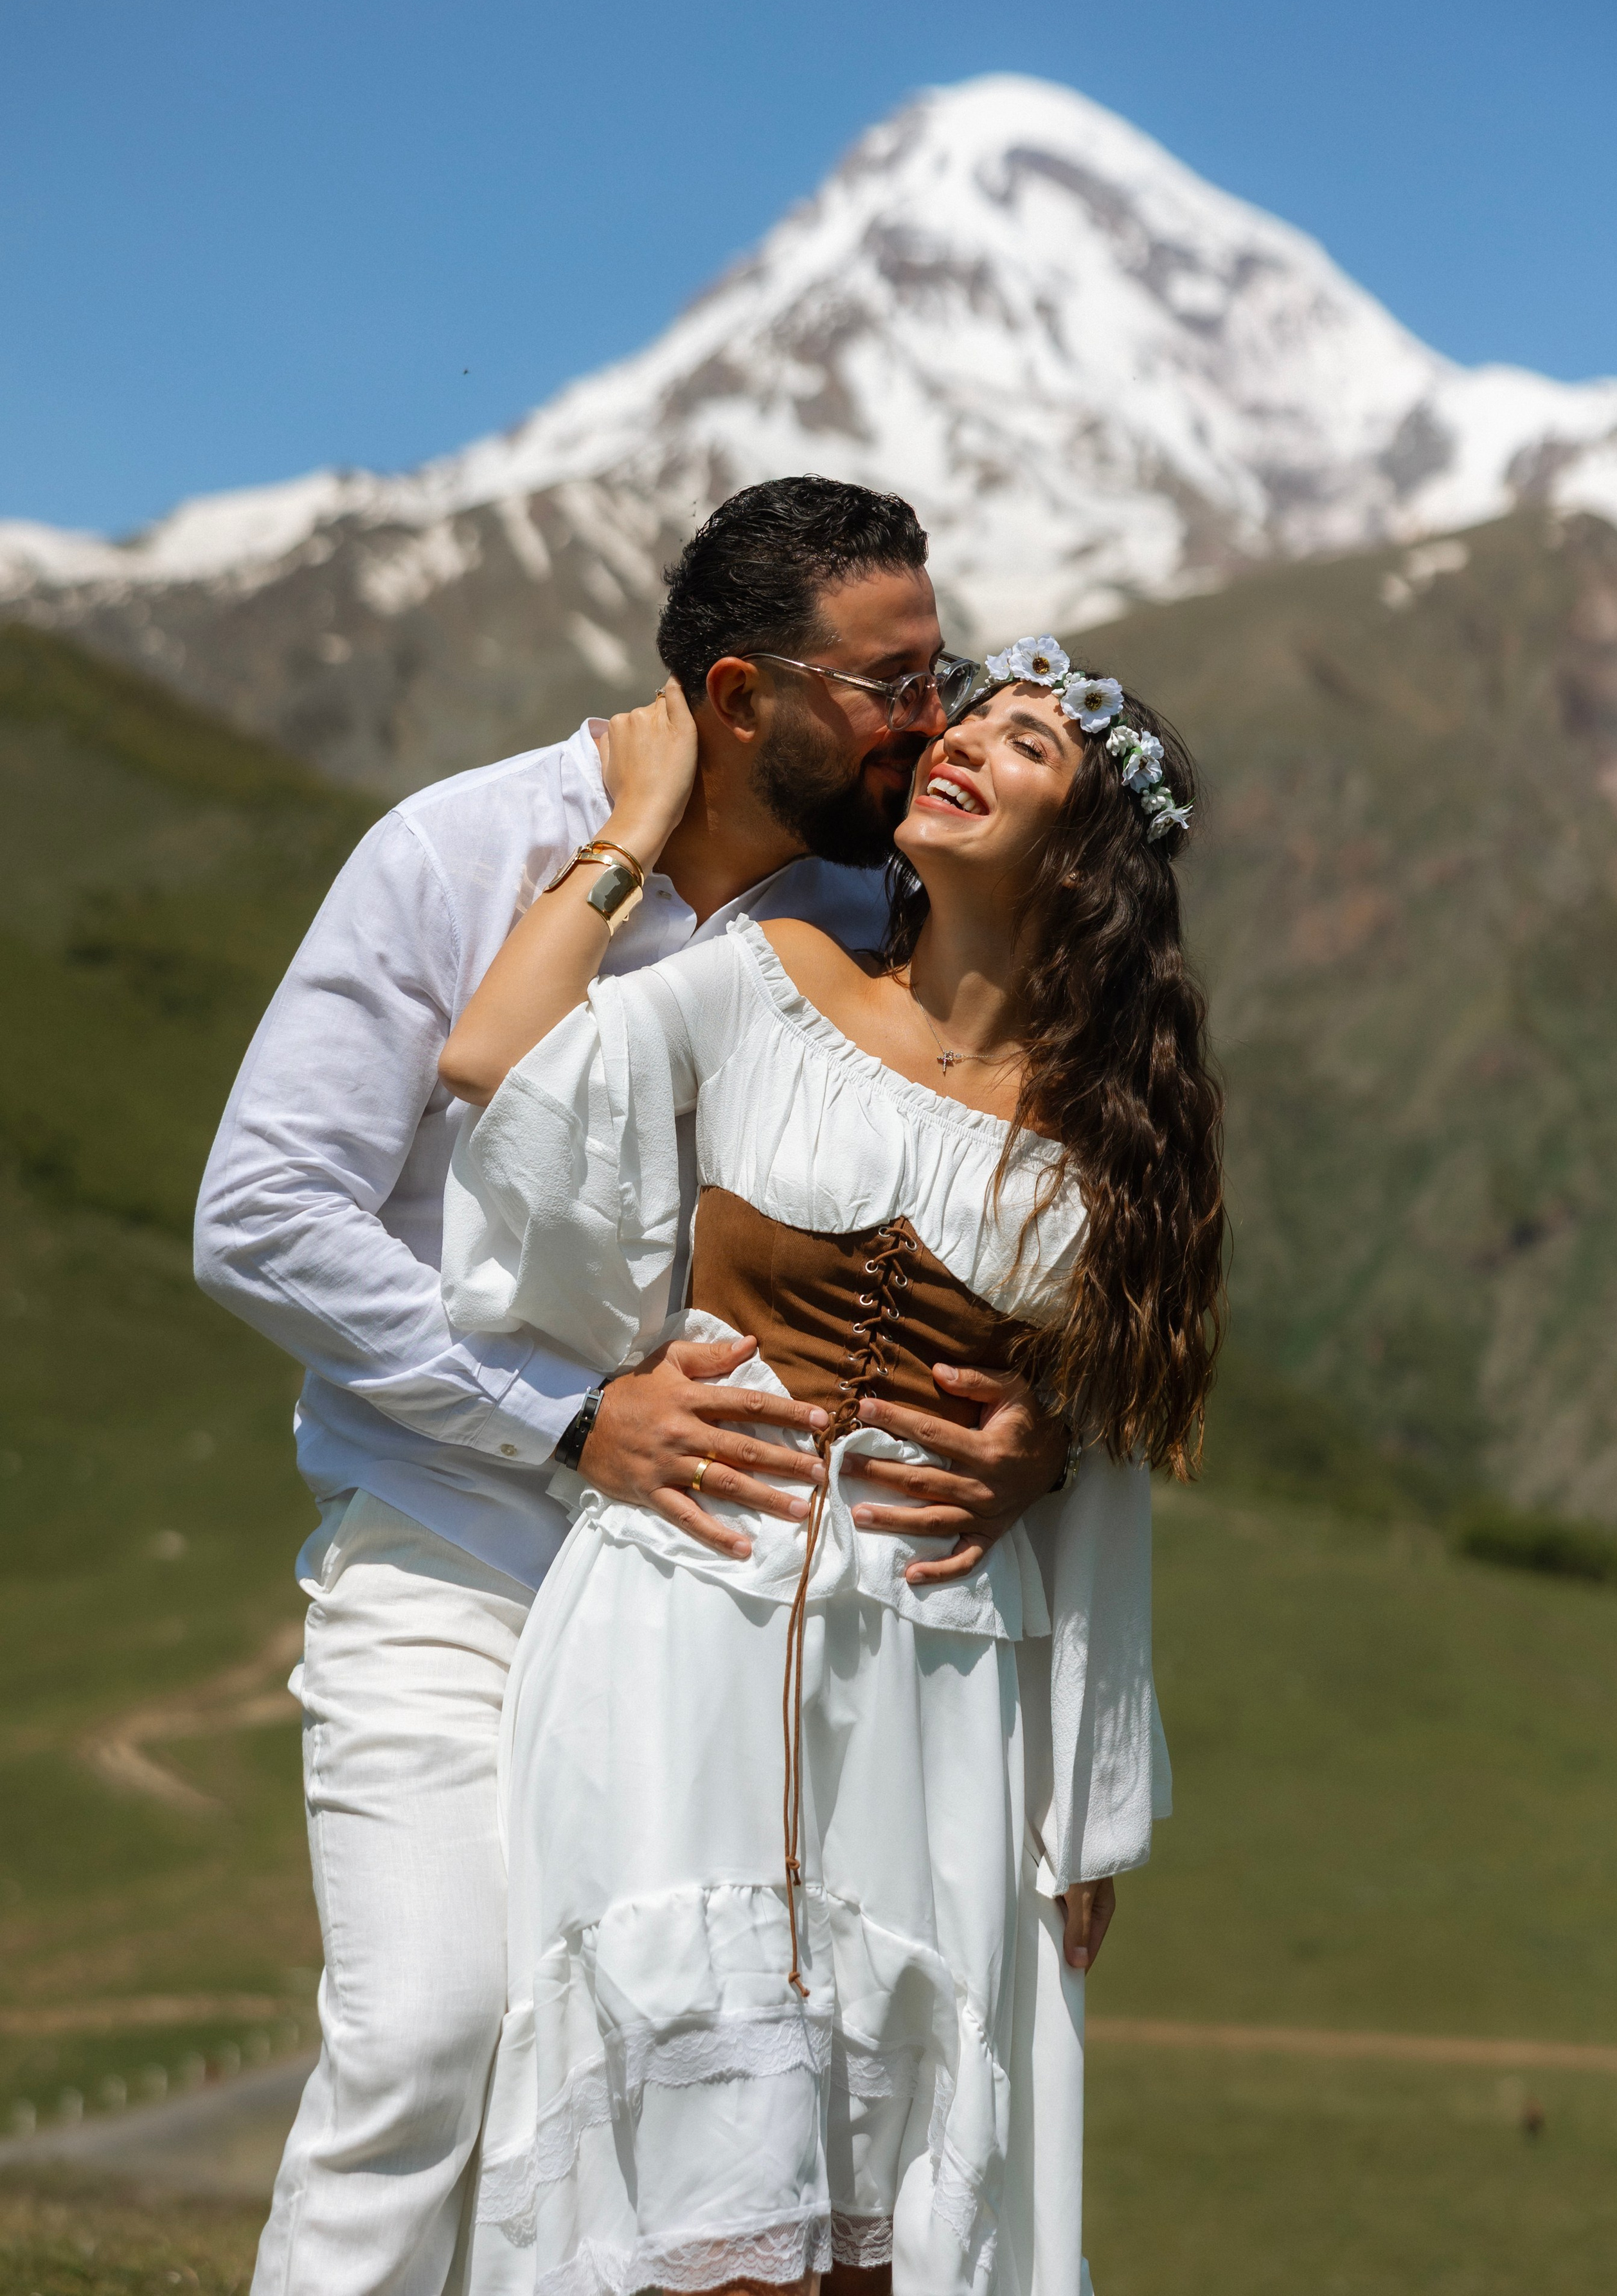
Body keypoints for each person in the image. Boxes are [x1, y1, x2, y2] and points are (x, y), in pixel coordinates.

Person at [193, 478, 1071, 2295]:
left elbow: (1011, 1186)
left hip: (726, 1615)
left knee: (668, 2110)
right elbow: (263, 1215)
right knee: (427, 2040)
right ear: (746, 699)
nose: (937, 719)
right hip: (453, 1558)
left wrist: (1041, 1427)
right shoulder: (459, 845)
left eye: (947, 671)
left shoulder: (896, 911)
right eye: (894, 683)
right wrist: (569, 1420)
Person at [437, 639, 1222, 2295]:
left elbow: (1106, 1492)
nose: (967, 753)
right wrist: (635, 831)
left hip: (936, 1702)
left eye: (1027, 751)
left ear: (1084, 859)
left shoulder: (1101, 1153)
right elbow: (495, 1061)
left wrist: (1083, 1808)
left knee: (880, 2219)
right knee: (691, 2193)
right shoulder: (762, 978)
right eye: (971, 725)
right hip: (678, 1636)